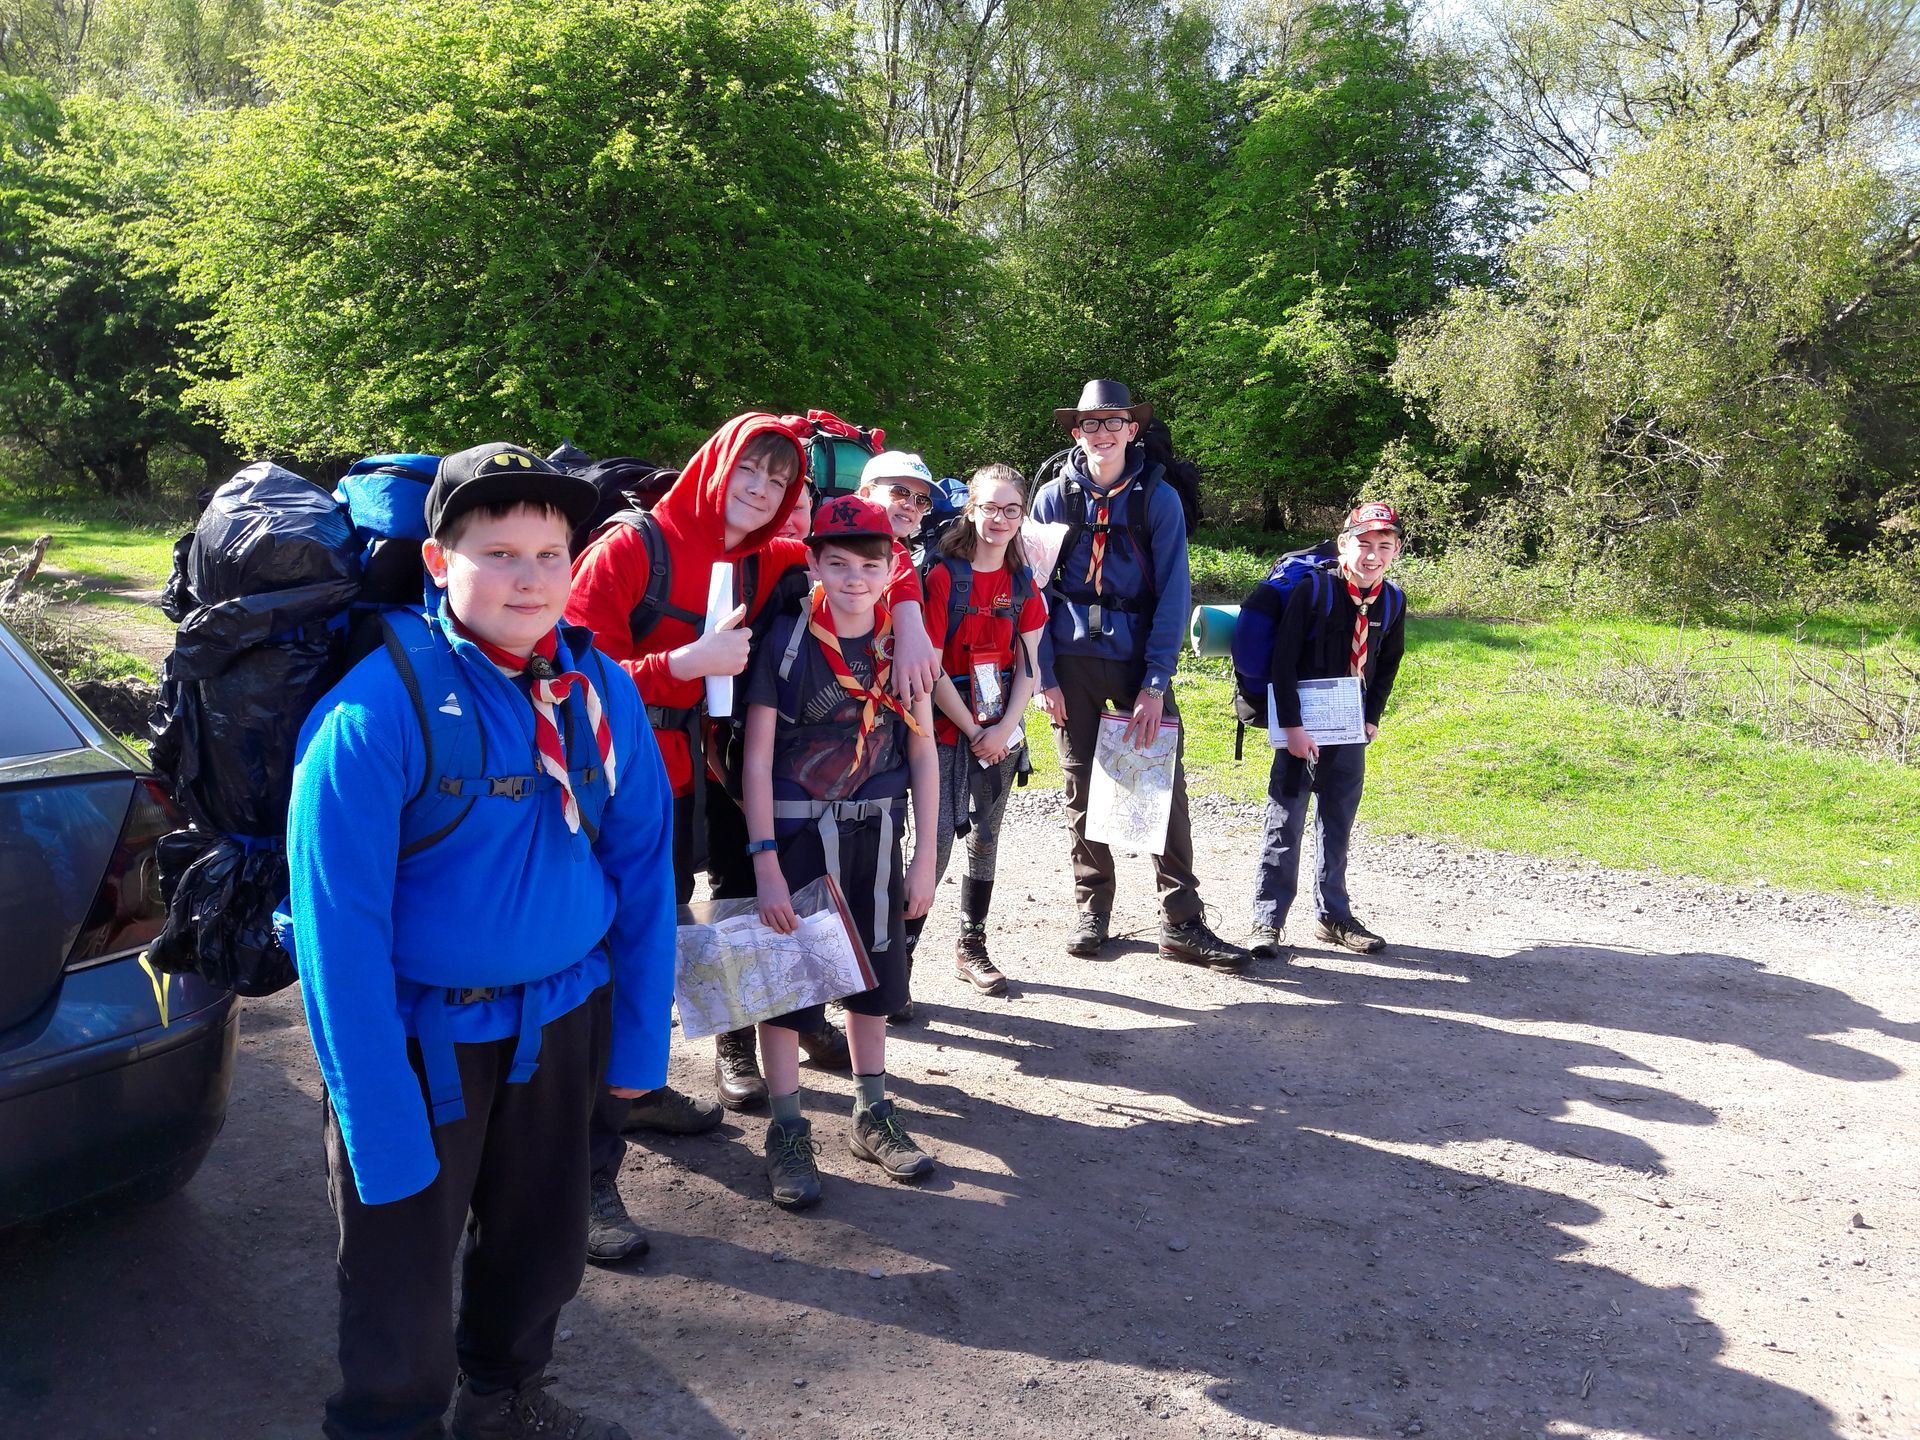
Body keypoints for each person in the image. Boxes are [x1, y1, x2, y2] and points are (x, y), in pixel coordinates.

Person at [288, 442, 672, 1440]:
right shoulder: (371, 716)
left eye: (551, 553)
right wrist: (374, 1114)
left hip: (566, 1024)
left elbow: (643, 875)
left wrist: (637, 1049)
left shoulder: (601, 693)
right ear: (436, 561)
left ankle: (503, 1403)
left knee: (543, 1251)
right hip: (421, 1051)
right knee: (398, 1284)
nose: (532, 577)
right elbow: (339, 940)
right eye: (499, 552)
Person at [566, 414, 847, 1259]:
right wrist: (684, 666)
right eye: (749, 472)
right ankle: (585, 1177)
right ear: (715, 464)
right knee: (594, 969)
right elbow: (564, 664)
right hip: (600, 786)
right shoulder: (630, 549)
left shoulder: (766, 558)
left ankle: (638, 1087)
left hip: (684, 787)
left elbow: (870, 561)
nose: (759, 491)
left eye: (778, 480)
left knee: (656, 951)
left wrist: (906, 620)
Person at [741, 493, 941, 1209]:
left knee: (875, 975)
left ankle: (872, 1110)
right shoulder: (786, 642)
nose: (855, 577)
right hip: (796, 839)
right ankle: (788, 1128)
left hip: (877, 834)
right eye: (838, 563)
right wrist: (764, 862)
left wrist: (924, 859)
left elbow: (924, 754)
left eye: (870, 563)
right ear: (814, 564)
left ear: (893, 569)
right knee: (784, 981)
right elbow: (757, 760)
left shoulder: (902, 644)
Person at [1031, 380, 1247, 971]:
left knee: (1159, 784)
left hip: (1136, 659)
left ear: (1133, 428)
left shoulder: (1158, 497)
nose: (1102, 433)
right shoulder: (1052, 498)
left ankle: (1181, 921)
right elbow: (1034, 594)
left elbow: (1174, 591)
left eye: (1114, 421)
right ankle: (1092, 908)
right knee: (1081, 785)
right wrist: (1043, 675)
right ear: (1076, 432)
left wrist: (1155, 682)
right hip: (1070, 659)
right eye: (1090, 424)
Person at [1252, 502, 1408, 962]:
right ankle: (1268, 920)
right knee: (1286, 821)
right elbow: (1282, 662)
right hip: (1302, 727)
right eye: (1363, 543)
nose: (1372, 555)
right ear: (1344, 544)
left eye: (1384, 545)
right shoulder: (1313, 590)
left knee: (1337, 823)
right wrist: (1295, 729)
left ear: (1396, 550)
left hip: (1349, 729)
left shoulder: (1392, 601)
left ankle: (1333, 916)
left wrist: (1372, 716)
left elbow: (1388, 663)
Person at [921, 463, 1046, 998]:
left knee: (986, 843)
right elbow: (927, 668)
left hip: (1001, 734)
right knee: (937, 846)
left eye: (1011, 509)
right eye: (990, 507)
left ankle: (971, 945)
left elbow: (1031, 666)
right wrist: (976, 729)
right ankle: (898, 962)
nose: (999, 518)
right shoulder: (944, 576)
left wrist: (1005, 730)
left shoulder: (1022, 581)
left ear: (1023, 515)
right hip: (949, 733)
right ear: (970, 507)